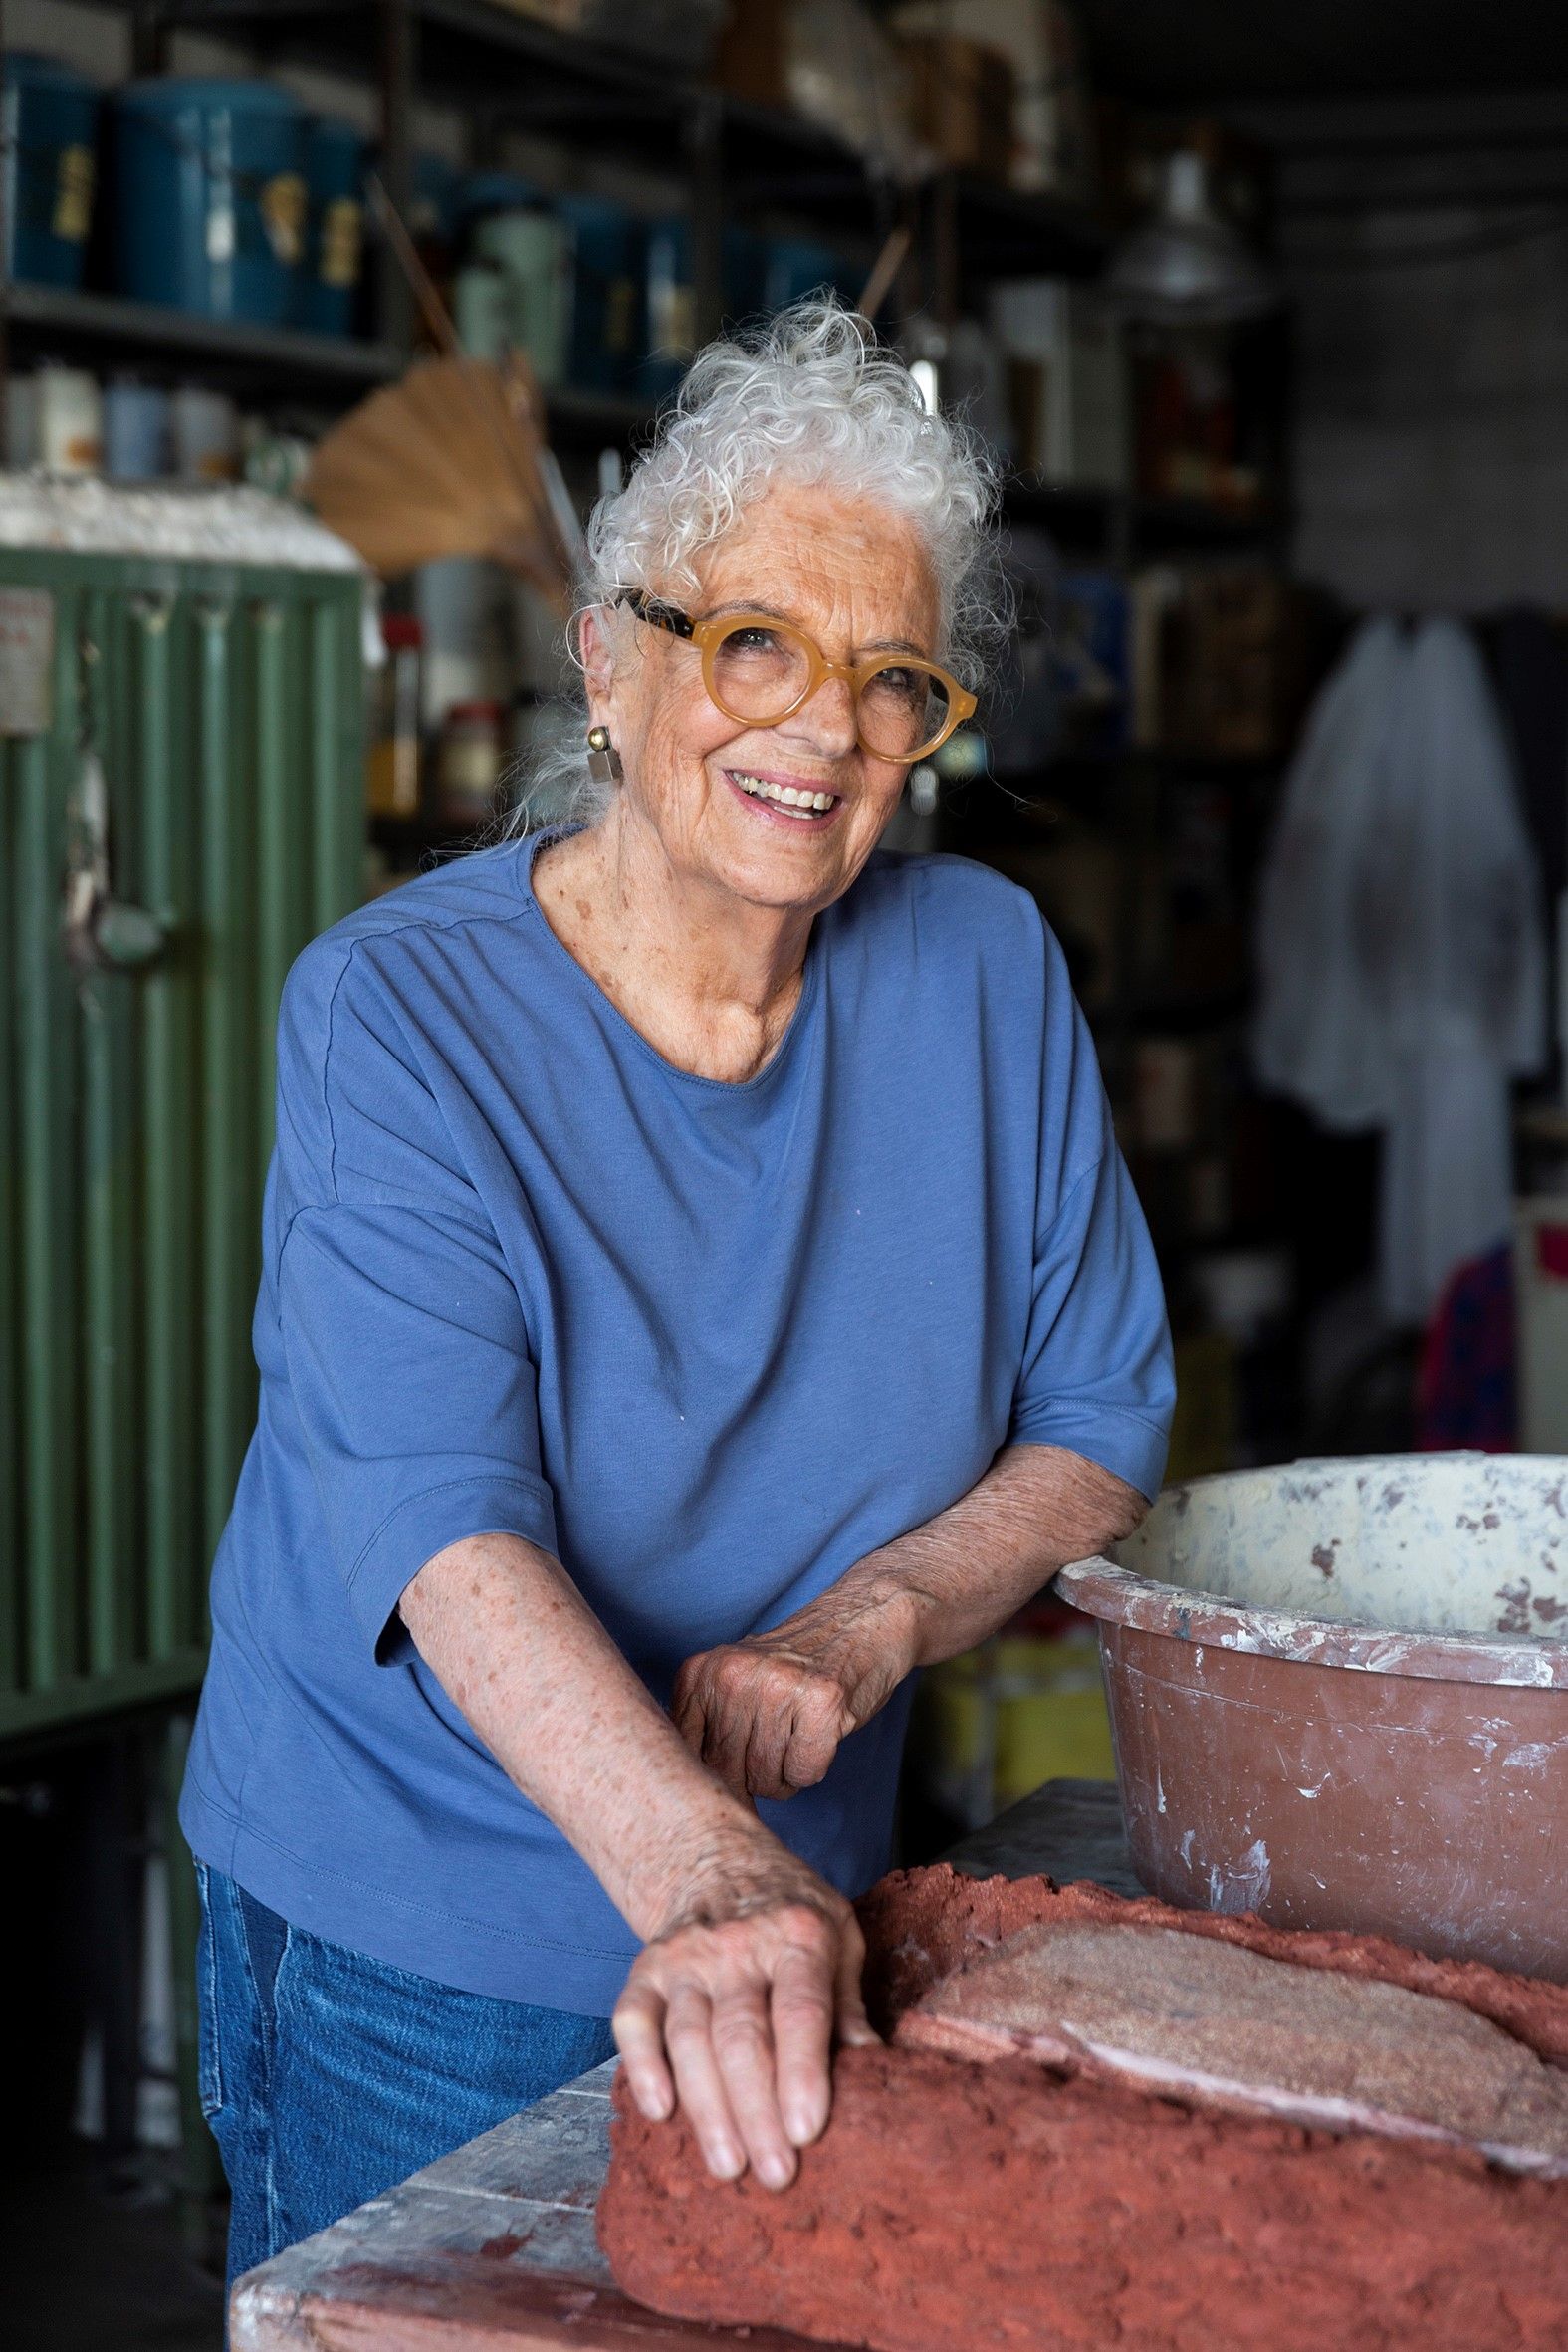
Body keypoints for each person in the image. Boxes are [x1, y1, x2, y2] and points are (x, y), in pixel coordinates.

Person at [180, 299, 1175, 2286]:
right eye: (754, 645)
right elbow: (433, 1526)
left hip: (797, 1911)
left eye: (891, 682)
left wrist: (859, 1624)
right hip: (426, 1937)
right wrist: (704, 1869)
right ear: (608, 665)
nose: (819, 728)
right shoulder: (397, 1013)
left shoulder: (979, 970)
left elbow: (1096, 1422)